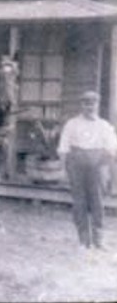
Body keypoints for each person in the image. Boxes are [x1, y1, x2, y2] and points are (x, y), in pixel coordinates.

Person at [57, 90, 117, 250]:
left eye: (92, 103)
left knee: (97, 202)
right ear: (81, 105)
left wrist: (109, 171)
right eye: (86, 103)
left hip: (97, 166)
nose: (89, 107)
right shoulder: (72, 124)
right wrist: (63, 169)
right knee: (80, 202)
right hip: (76, 166)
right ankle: (83, 240)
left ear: (97, 105)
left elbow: (112, 149)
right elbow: (63, 148)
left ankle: (99, 240)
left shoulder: (104, 126)